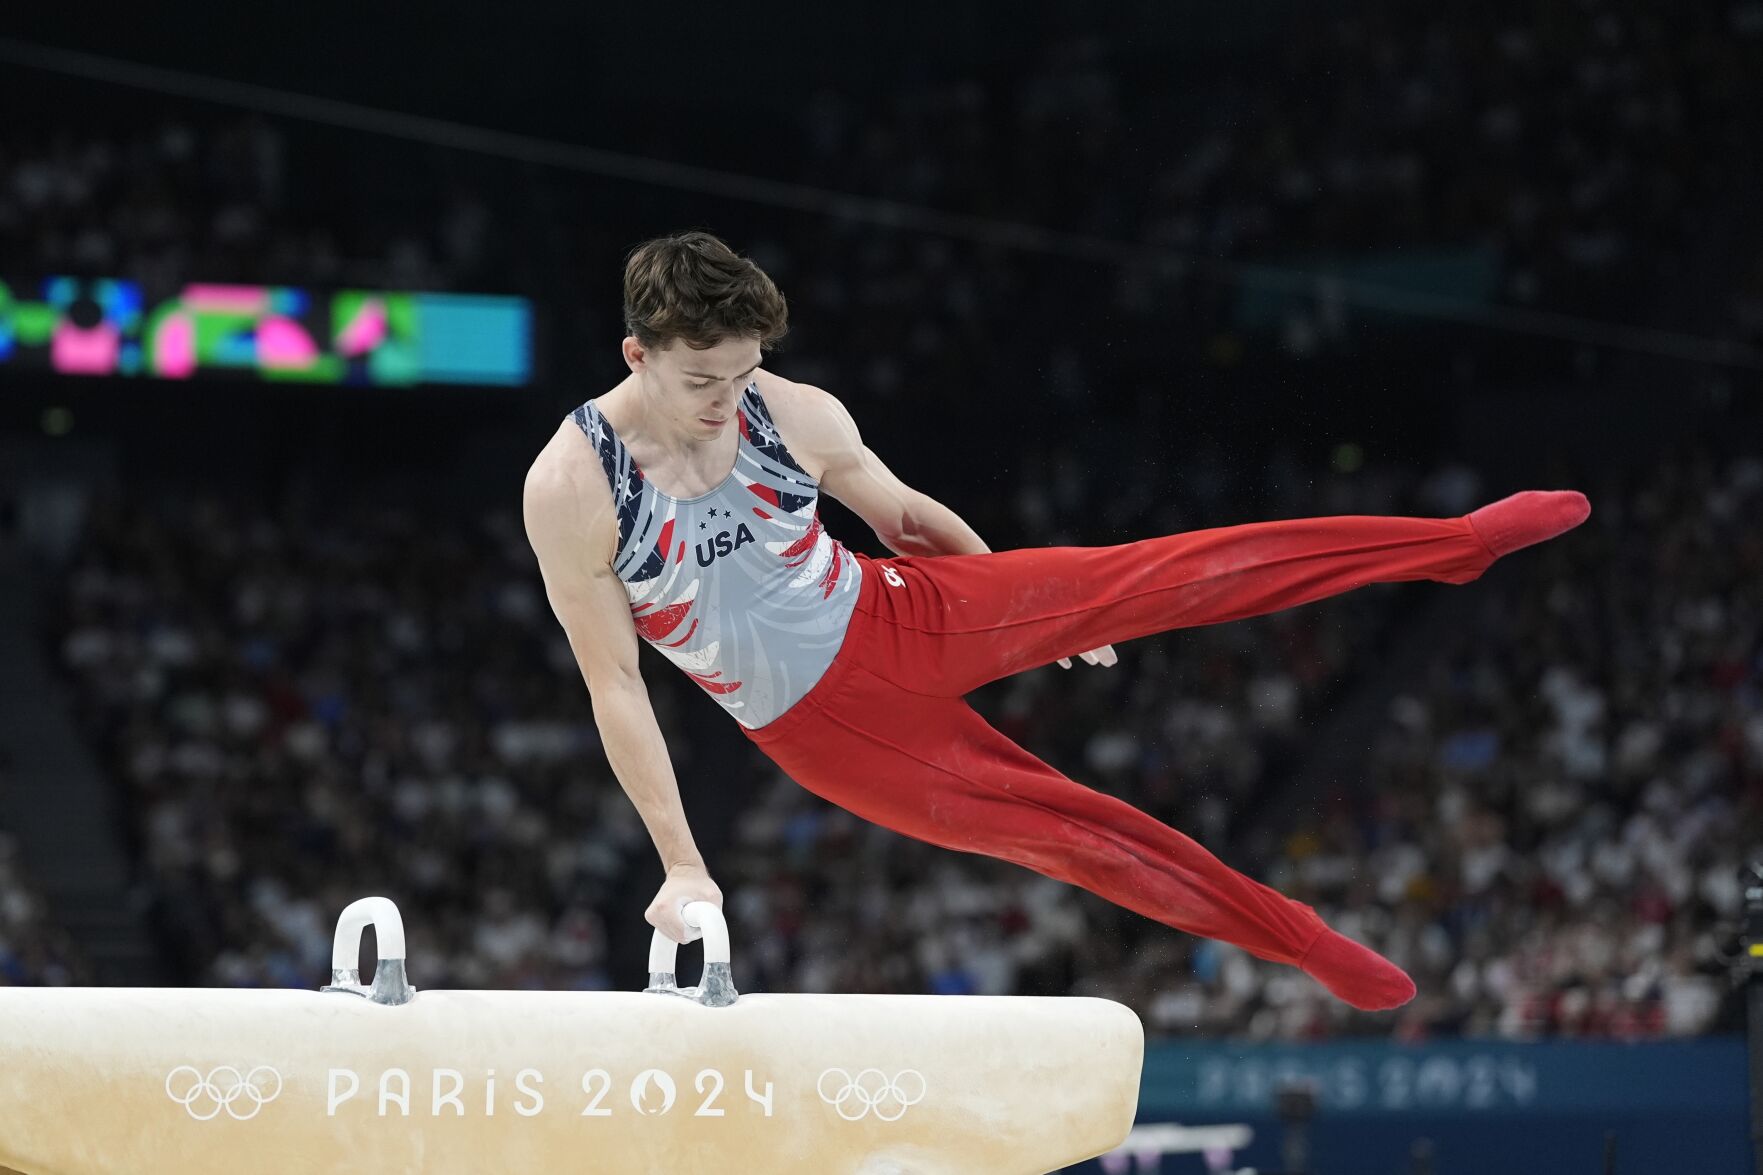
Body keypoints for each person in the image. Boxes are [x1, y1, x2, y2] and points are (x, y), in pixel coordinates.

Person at [522, 231, 1590, 1010]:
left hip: (900, 610)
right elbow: (615, 684)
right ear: (637, 355)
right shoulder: (575, 486)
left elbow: (896, 515)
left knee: (1157, 572)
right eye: (705, 378)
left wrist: (1027, 601)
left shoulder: (790, 410)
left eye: (743, 371)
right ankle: (1300, 939)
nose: (727, 399)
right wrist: (681, 863)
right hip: (828, 729)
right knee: (1075, 831)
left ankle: (1452, 544)